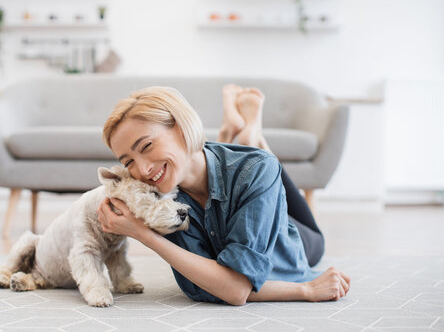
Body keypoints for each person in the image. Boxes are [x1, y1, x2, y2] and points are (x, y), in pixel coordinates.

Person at [97, 85, 351, 306]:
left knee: (314, 239)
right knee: (238, 169)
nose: (143, 170)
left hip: (291, 234)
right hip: (222, 174)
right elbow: (206, 287)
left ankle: (252, 138)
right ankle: (236, 134)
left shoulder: (255, 170)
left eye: (147, 146)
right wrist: (140, 227)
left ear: (181, 127)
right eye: (128, 161)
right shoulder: (162, 201)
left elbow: (236, 290)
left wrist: (304, 289)